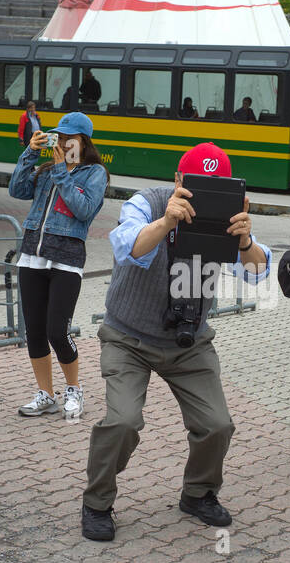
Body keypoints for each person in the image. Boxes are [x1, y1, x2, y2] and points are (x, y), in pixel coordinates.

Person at [82, 143, 271, 541]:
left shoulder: (227, 219)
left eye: (216, 188)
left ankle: (198, 494)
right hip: (128, 336)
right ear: (179, 180)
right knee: (122, 421)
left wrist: (245, 242)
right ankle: (97, 502)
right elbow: (126, 246)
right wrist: (167, 221)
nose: (205, 197)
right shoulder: (146, 204)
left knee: (217, 424)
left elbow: (258, 274)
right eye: (198, 186)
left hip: (190, 341)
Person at [8, 112, 107, 420]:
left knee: (57, 331)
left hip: (66, 259)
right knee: (35, 331)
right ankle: (45, 394)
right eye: (59, 138)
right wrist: (30, 153)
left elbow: (83, 210)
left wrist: (64, 172)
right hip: (32, 256)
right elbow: (16, 190)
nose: (62, 143)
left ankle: (74, 389)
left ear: (83, 142)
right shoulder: (47, 168)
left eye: (69, 139)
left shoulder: (95, 173)